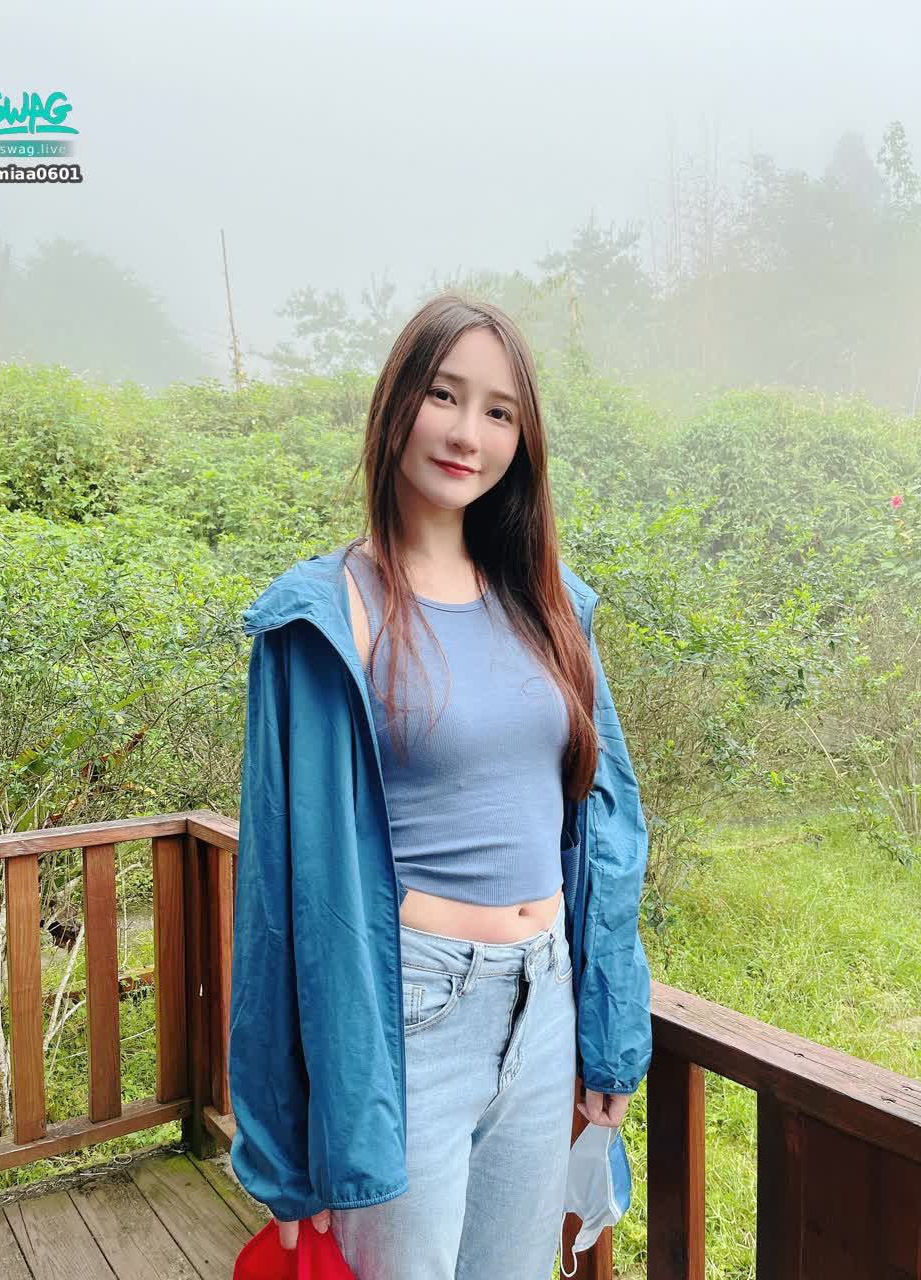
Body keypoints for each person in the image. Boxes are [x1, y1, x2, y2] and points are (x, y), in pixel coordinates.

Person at [228, 293, 652, 1280]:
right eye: (445, 395)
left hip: (544, 1003)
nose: (469, 433)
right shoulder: (324, 616)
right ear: (397, 406)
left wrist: (610, 1034)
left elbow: (608, 827)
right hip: (404, 1014)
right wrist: (282, 1154)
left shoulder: (552, 604)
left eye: (499, 411)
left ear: (523, 438)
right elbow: (278, 895)